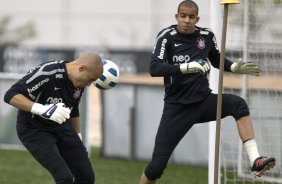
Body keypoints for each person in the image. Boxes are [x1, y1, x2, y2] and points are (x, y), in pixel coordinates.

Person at [139, 1, 275, 183]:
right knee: (156, 168)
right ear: (176, 17)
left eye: (191, 17)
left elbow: (217, 59)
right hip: (176, 108)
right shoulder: (166, 37)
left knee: (238, 104)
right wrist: (187, 67)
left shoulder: (206, 36)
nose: (187, 20)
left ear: (197, 18)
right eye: (183, 16)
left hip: (203, 102)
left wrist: (234, 67)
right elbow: (154, 68)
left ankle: (255, 159)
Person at [4, 52, 103, 184]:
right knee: (64, 178)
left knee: (86, 176)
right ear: (82, 68)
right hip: (34, 130)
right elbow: (10, 95)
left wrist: (77, 136)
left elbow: (73, 109)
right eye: (90, 79)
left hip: (62, 127)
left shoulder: (79, 82)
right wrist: (42, 109)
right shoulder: (46, 73)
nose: (89, 84)